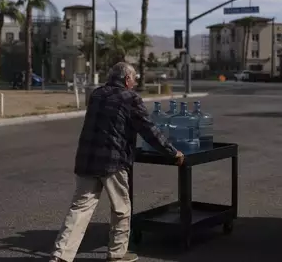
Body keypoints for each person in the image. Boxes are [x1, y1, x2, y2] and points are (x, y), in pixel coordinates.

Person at [49, 62, 184, 262]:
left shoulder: (96, 94)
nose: (136, 82)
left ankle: (60, 257)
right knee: (121, 208)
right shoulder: (130, 98)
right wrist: (172, 152)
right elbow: (149, 130)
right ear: (127, 79)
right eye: (135, 78)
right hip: (113, 161)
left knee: (80, 208)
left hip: (87, 159)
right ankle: (117, 254)